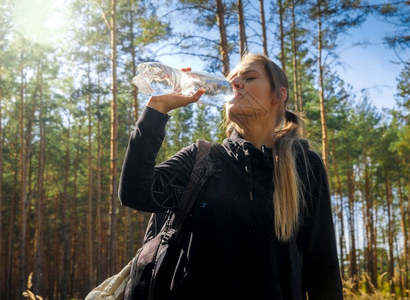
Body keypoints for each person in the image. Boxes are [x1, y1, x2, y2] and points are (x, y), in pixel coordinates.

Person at [119, 53, 342, 300]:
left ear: (279, 95)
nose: (236, 84)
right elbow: (134, 192)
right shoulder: (201, 159)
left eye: (249, 78)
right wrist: (157, 109)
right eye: (232, 80)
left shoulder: (304, 166)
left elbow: (323, 269)